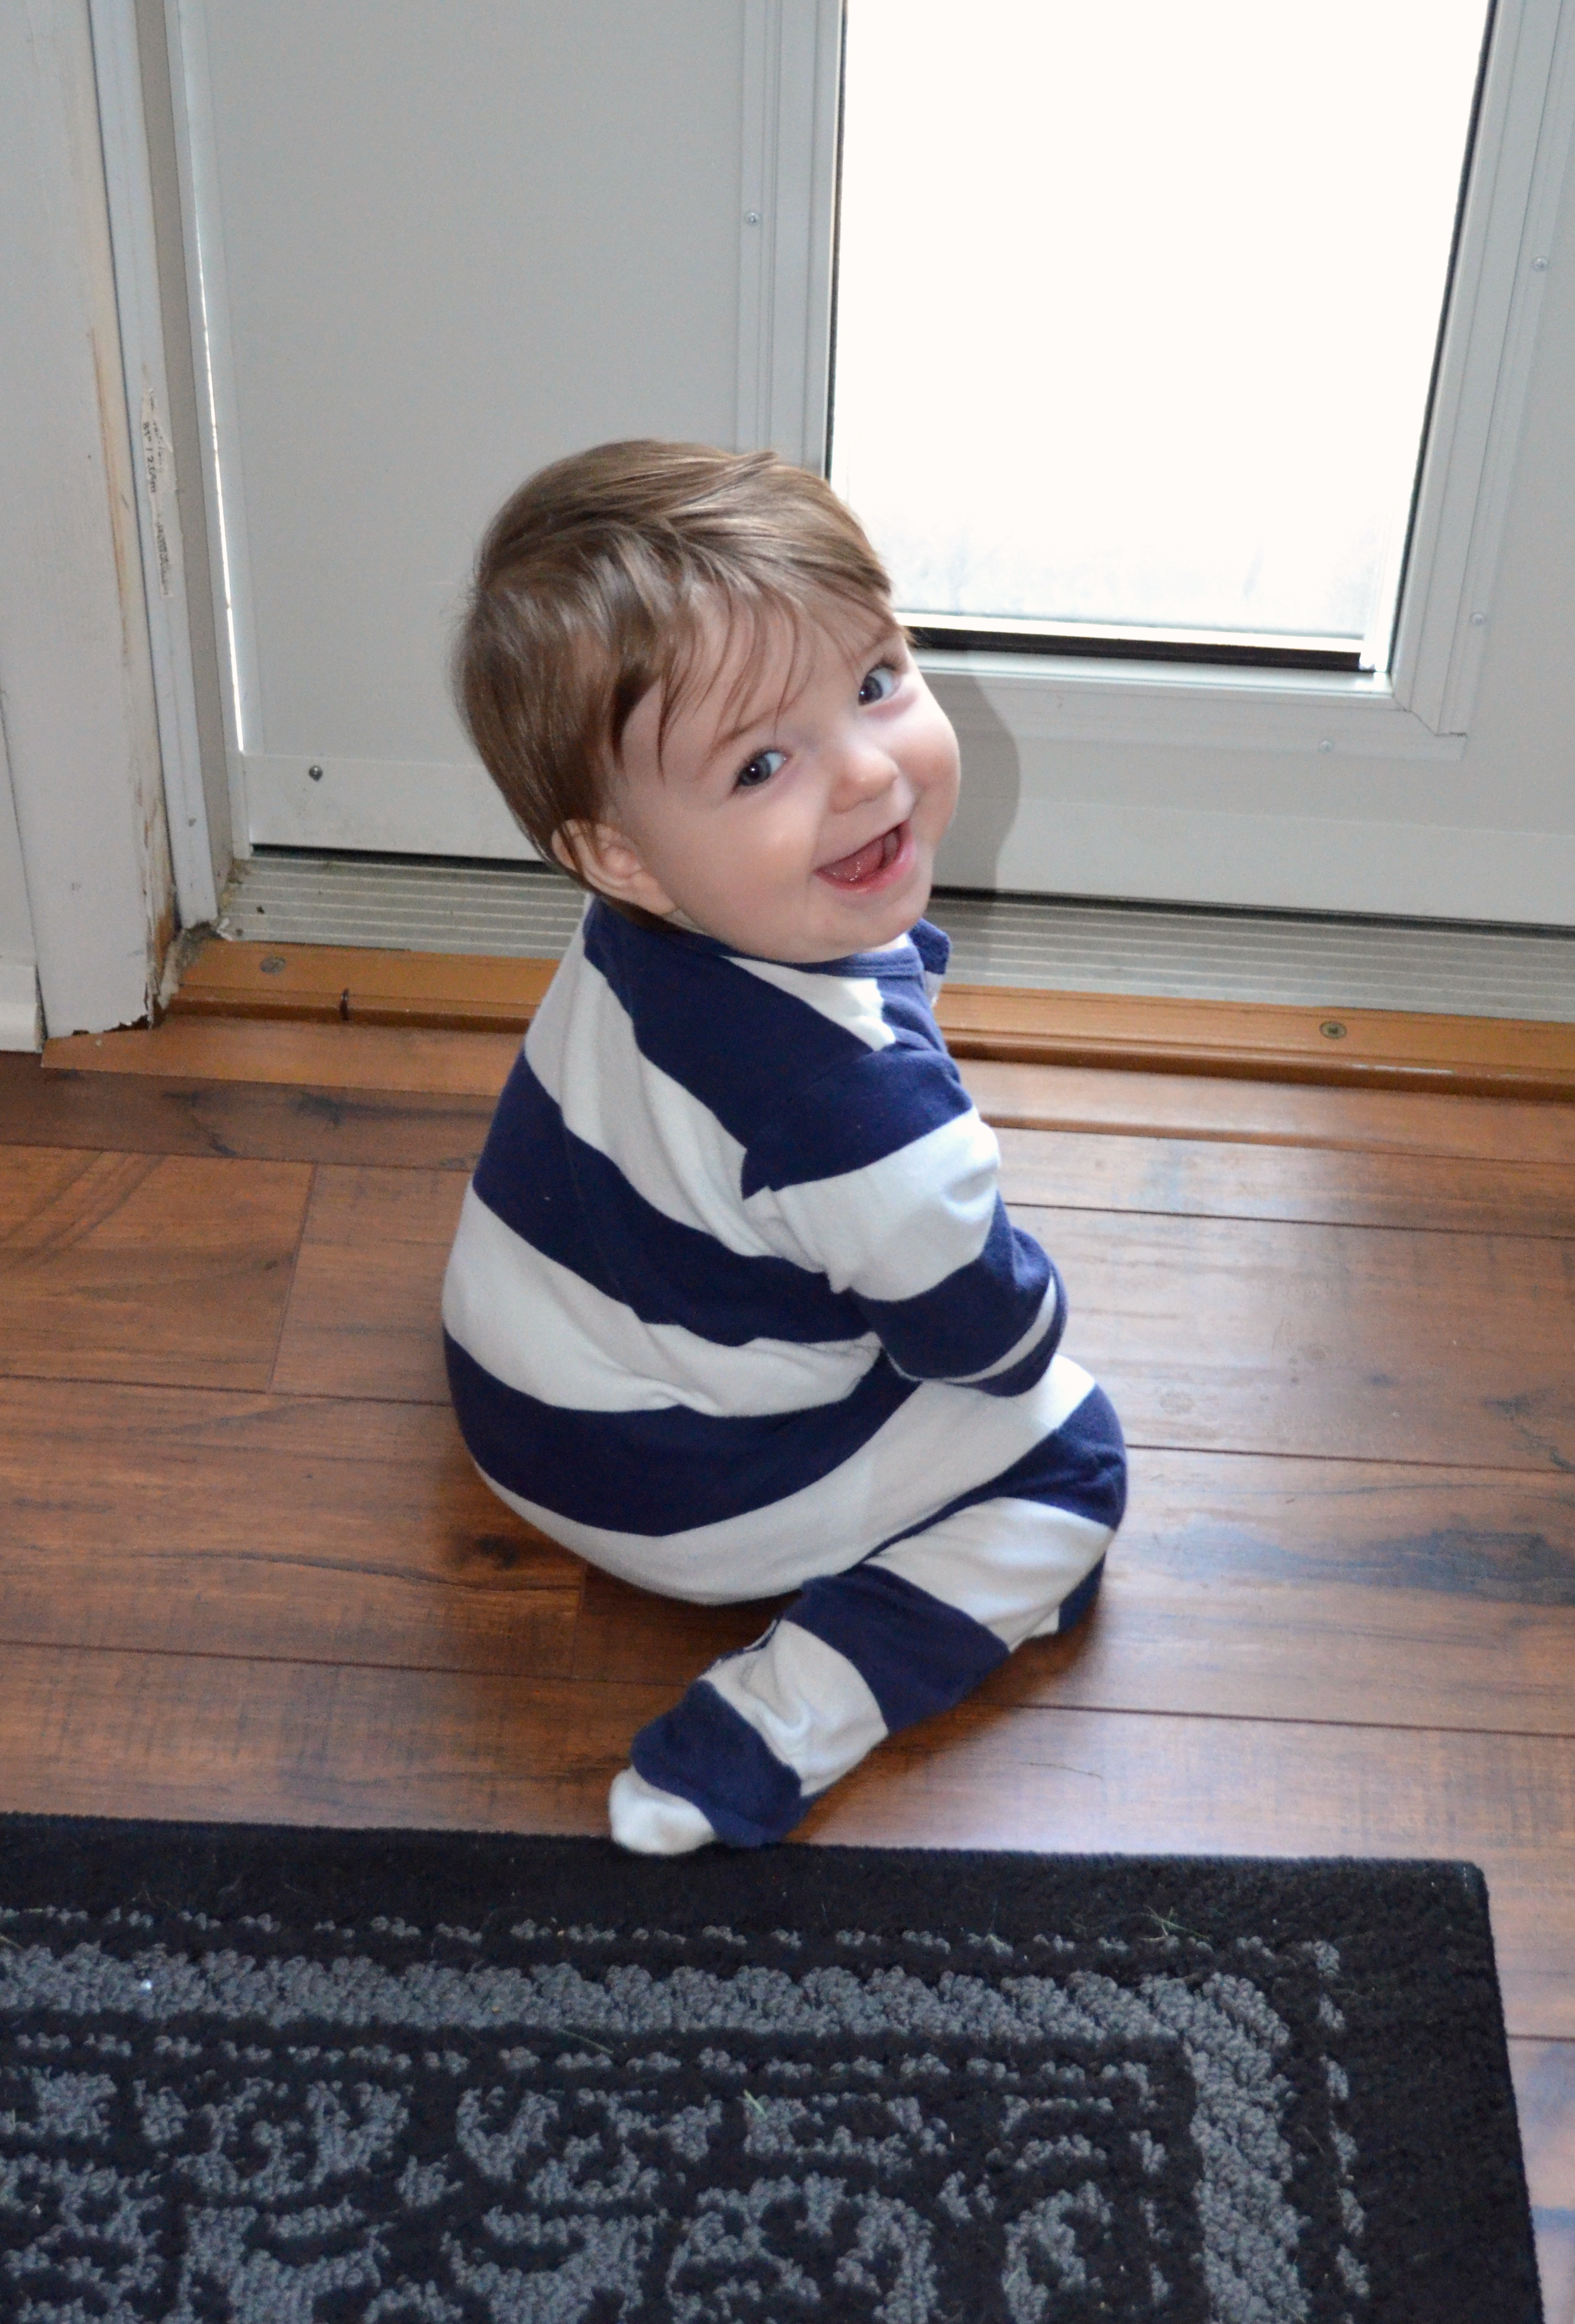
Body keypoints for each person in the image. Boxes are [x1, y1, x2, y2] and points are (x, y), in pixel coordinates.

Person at [443, 440, 1126, 1854]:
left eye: (875, 680)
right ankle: (773, 1725)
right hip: (678, 1487)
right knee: (1073, 1460)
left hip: (513, 1362)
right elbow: (987, 1348)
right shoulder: (863, 1122)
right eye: (764, 763)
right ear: (620, 852)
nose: (869, 772)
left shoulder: (653, 913)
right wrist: (1019, 1302)